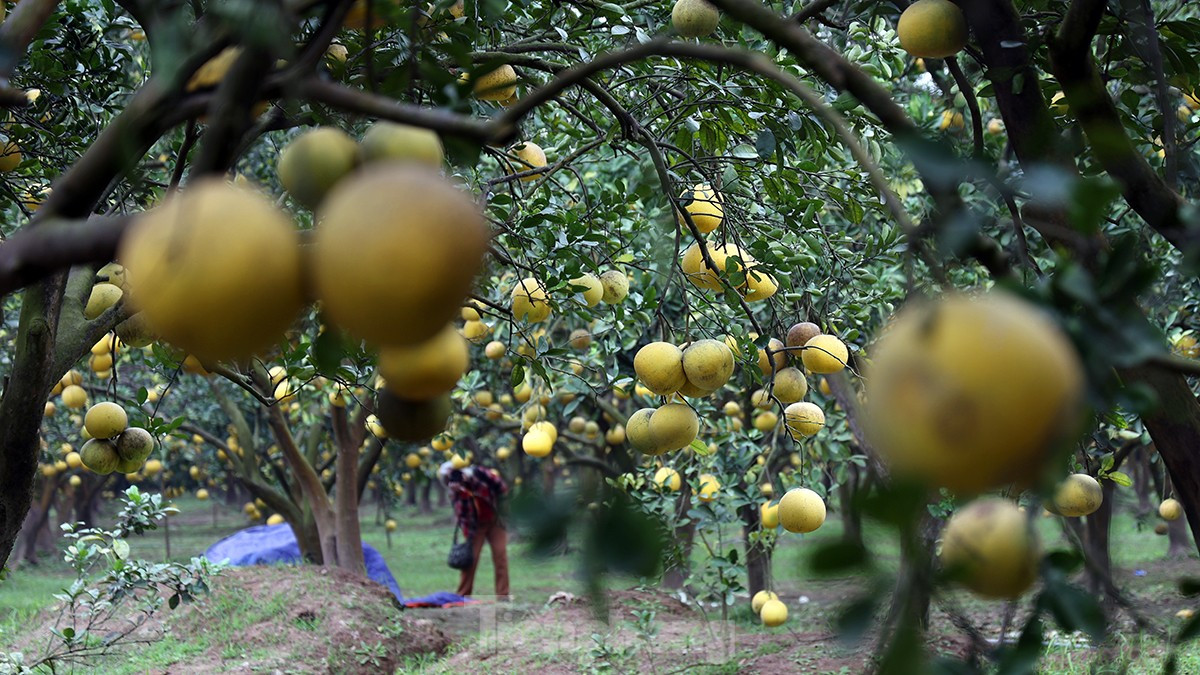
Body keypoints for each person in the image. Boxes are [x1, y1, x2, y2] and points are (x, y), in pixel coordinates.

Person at [439, 461, 510, 599]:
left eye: (456, 474)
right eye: (450, 477)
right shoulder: (455, 493)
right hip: (475, 527)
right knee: (470, 560)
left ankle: (503, 595)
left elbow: (501, 486)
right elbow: (463, 514)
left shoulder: (478, 473)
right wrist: (461, 491)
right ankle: (463, 595)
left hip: (495, 521)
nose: (454, 478)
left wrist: (470, 478)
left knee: (500, 556)